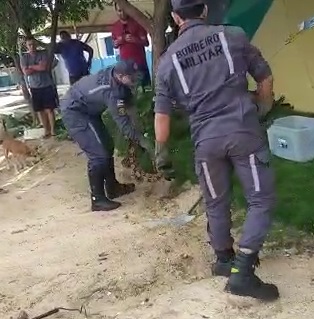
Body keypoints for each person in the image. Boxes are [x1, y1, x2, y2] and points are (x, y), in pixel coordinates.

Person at [152, 0, 277, 301]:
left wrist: (161, 151)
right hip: (243, 130)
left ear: (175, 17)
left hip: (205, 142)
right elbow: (265, 78)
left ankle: (223, 260)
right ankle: (243, 272)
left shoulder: (167, 61)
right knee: (261, 200)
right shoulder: (233, 35)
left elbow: (162, 122)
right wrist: (262, 105)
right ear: (205, 10)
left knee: (215, 202)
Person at [60, 60, 154, 212]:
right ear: (121, 76)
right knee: (98, 154)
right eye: (131, 77)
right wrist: (143, 141)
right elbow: (123, 124)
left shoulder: (118, 78)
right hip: (75, 112)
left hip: (89, 110)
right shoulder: (110, 92)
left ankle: (112, 187)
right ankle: (97, 199)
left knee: (107, 145)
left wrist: (139, 128)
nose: (135, 80)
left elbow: (130, 107)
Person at [20, 37, 59, 138]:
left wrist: (31, 67)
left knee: (49, 109)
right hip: (34, 87)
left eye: (33, 44)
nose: (32, 46)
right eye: (29, 45)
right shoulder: (24, 58)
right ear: (26, 46)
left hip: (46, 85)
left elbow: (44, 67)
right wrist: (36, 66)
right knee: (40, 110)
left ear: (36, 45)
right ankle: (46, 131)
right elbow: (26, 72)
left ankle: (53, 130)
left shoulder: (43, 53)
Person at [111, 3, 151, 88]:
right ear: (116, 11)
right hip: (125, 66)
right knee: (129, 91)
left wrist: (135, 39)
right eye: (119, 11)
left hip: (139, 63)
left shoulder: (137, 23)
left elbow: (146, 43)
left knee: (144, 89)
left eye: (124, 10)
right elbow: (114, 45)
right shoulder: (115, 27)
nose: (122, 13)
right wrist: (120, 40)